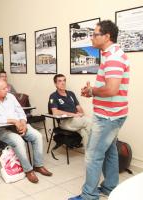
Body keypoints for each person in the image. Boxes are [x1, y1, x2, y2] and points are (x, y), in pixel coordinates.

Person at [69, 20, 130, 200]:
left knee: (93, 156)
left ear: (107, 36)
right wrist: (92, 92)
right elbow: (110, 88)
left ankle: (88, 196)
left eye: (95, 34)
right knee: (110, 152)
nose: (92, 38)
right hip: (113, 114)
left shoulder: (113, 58)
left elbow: (112, 89)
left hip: (108, 117)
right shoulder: (114, 54)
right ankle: (110, 187)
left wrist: (92, 91)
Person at [0, 78, 52, 183]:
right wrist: (14, 121)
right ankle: (28, 170)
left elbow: (20, 111)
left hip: (20, 124)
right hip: (2, 129)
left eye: (7, 87)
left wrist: (23, 123)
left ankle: (38, 165)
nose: (7, 89)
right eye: (4, 88)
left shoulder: (11, 97)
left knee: (37, 136)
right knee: (18, 141)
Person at [49, 74, 91, 147]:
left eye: (64, 80)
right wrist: (74, 115)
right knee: (90, 122)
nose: (63, 83)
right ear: (55, 84)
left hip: (75, 120)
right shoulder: (53, 96)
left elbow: (78, 107)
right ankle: (98, 150)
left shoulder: (71, 94)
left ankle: (90, 155)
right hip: (65, 122)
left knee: (84, 132)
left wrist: (81, 113)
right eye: (60, 81)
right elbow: (55, 112)